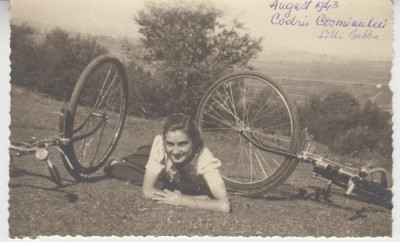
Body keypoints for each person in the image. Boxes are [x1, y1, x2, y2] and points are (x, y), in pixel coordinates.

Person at [104, 113, 231, 213]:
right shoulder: (161, 146)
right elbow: (147, 190)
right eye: (170, 144)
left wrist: (182, 200)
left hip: (170, 175)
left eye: (183, 144)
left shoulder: (205, 159)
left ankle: (119, 163)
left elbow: (224, 204)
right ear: (164, 141)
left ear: (195, 140)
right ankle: (116, 162)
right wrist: (188, 199)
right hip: (151, 155)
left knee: (155, 181)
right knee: (119, 168)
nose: (176, 151)